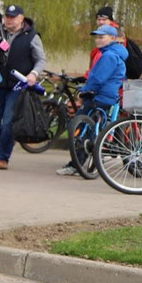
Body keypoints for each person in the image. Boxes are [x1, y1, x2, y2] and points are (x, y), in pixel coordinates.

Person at [57, 24, 127, 176]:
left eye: (102, 37)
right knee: (95, 128)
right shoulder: (115, 54)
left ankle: (76, 165)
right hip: (108, 96)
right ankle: (89, 163)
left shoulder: (108, 56)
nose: (98, 40)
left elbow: (98, 78)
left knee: (82, 128)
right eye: (97, 37)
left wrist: (84, 92)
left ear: (113, 38)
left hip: (99, 96)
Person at [0, 4, 44, 169]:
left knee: (8, 122)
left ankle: (3, 157)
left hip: (18, 85)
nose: (9, 20)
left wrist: (33, 74)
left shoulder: (31, 36)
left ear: (21, 18)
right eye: (7, 17)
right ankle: (8, 142)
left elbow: (41, 59)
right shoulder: (1, 34)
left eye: (13, 17)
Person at [93, 6, 142, 79]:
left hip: (112, 78)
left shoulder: (116, 34)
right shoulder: (103, 33)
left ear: (110, 21)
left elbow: (113, 59)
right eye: (98, 19)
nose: (101, 22)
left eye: (104, 19)